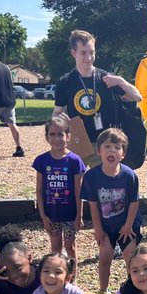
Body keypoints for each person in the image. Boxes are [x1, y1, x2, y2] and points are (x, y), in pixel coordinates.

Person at [52, 29, 143, 153]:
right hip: (79, 142)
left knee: (105, 173)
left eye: (91, 52)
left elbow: (137, 97)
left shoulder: (107, 78)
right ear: (74, 53)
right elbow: (57, 112)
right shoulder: (65, 82)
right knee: (76, 173)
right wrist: (62, 123)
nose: (88, 58)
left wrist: (120, 81)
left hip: (105, 143)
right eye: (83, 53)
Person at [80, 127, 142, 294]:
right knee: (105, 258)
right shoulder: (92, 176)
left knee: (131, 259)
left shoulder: (129, 175)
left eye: (117, 147)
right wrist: (98, 229)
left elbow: (134, 203)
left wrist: (128, 226)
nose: (112, 150)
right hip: (107, 227)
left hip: (127, 225)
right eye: (107, 146)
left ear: (123, 153)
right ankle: (103, 291)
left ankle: (134, 290)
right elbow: (93, 205)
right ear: (98, 151)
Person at [32, 114, 87, 271]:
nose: (56, 138)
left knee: (70, 248)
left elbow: (79, 191)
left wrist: (79, 216)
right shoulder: (41, 161)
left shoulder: (75, 161)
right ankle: (58, 275)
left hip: (70, 214)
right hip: (52, 214)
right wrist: (43, 216)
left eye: (60, 134)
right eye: (52, 134)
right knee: (55, 248)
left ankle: (73, 277)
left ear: (68, 136)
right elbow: (39, 190)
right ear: (47, 137)